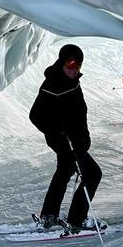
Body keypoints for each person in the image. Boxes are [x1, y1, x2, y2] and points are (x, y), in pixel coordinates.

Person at [28, 44, 105, 233]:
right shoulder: (52, 85)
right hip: (63, 141)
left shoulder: (72, 82)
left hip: (74, 140)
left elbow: (80, 114)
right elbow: (35, 116)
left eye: (77, 65)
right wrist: (59, 134)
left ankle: (49, 216)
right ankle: (77, 219)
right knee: (93, 174)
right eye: (70, 64)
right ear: (62, 62)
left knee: (66, 170)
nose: (73, 69)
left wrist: (84, 138)